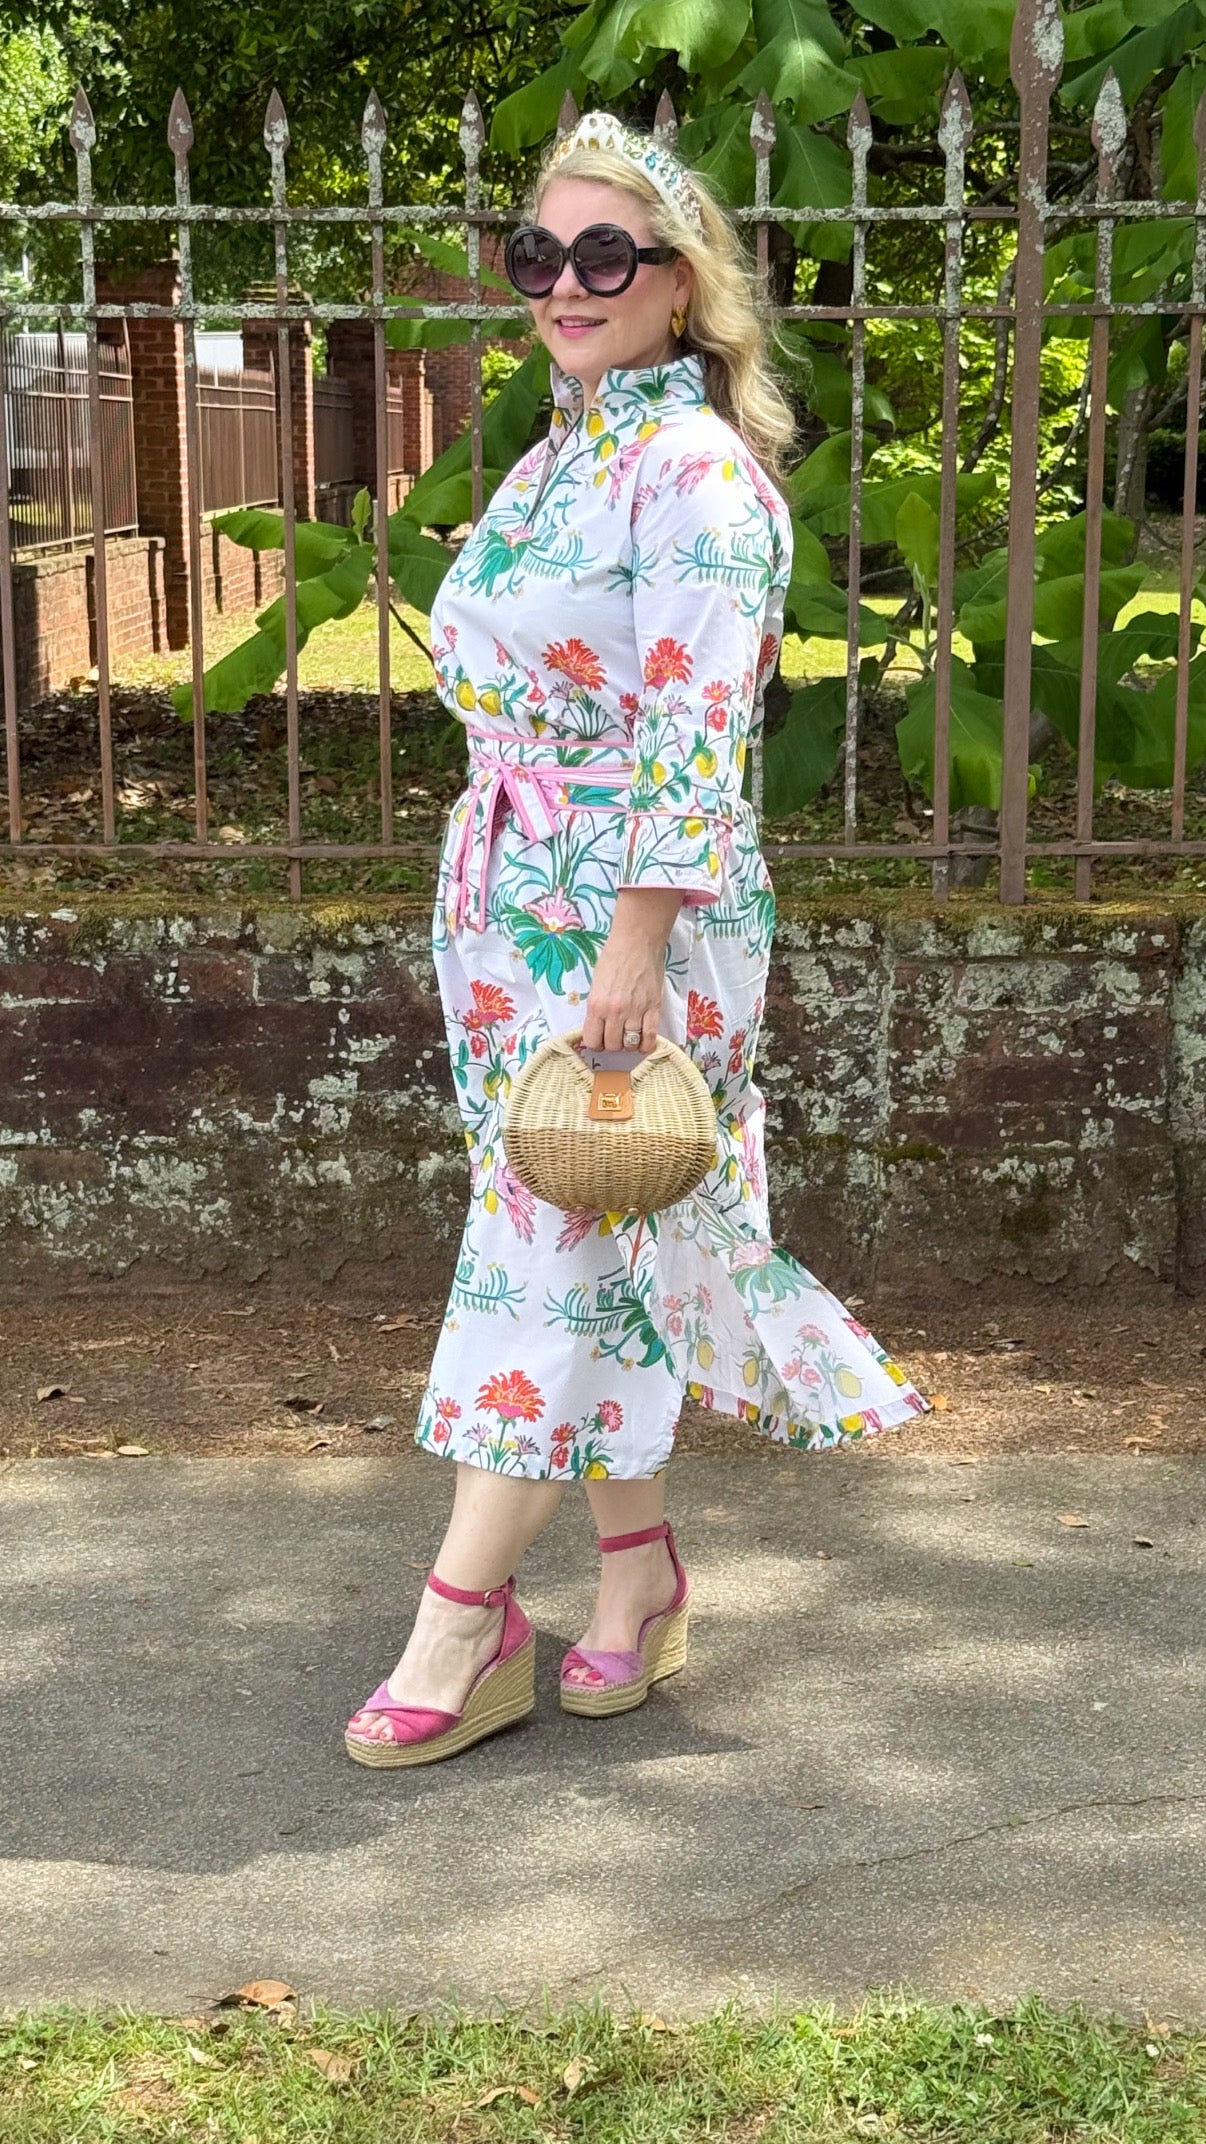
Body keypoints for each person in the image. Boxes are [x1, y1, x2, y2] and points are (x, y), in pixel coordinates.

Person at [346, 110, 928, 1768]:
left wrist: (630, 955)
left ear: (684, 285)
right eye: (540, 256)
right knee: (589, 1235)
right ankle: (634, 1572)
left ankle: (463, 1622)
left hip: (629, 917)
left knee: (552, 1241)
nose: (565, 284)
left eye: (607, 256)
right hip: (508, 900)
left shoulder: (692, 477)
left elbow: (690, 733)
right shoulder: (553, 455)